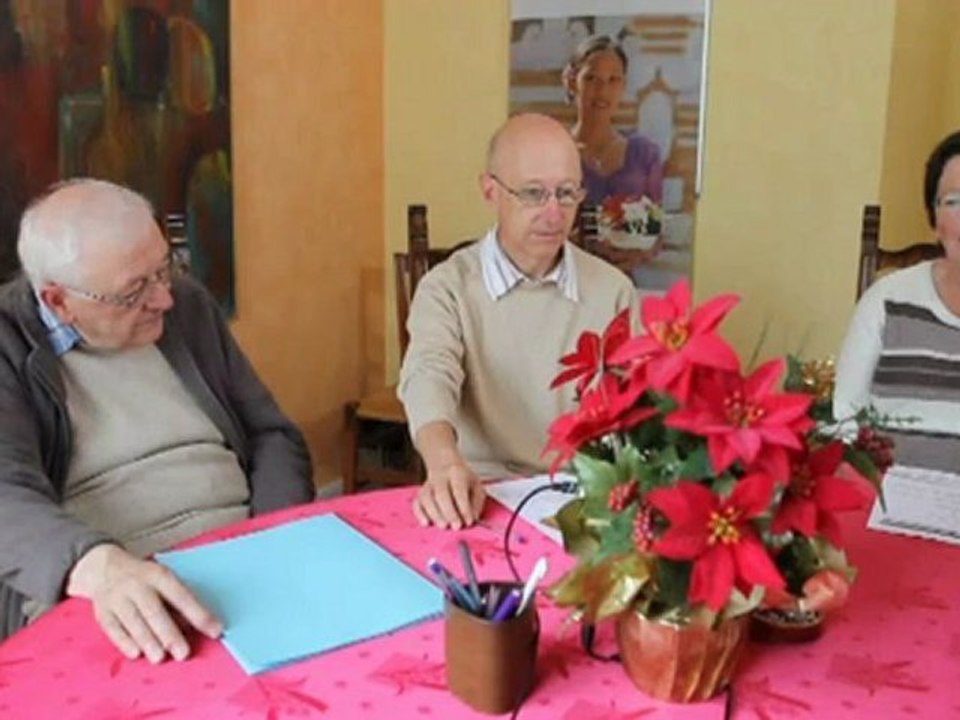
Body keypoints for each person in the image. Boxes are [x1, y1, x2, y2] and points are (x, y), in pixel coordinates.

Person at [0, 179, 314, 660]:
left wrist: (276, 531)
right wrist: (97, 567)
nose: (164, 299)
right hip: (115, 587)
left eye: (164, 270)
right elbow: (7, 497)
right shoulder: (8, 343)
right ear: (58, 300)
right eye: (133, 291)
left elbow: (270, 432)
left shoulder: (186, 305)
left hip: (247, 550)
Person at [398, 113, 636, 530]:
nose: (554, 212)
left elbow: (640, 402)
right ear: (490, 190)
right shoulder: (448, 288)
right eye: (533, 193)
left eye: (567, 193)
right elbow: (427, 374)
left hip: (586, 496)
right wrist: (443, 461)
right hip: (482, 495)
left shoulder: (613, 290)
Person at [834, 130, 960, 469]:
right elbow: (846, 419)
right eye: (954, 201)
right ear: (935, 221)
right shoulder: (887, 301)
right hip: (890, 494)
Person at [563, 34, 665, 275]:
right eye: (592, 79)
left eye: (613, 80)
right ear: (572, 81)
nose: (602, 91)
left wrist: (637, 254)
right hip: (567, 283)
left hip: (624, 284)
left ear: (623, 86)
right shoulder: (553, 152)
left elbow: (657, 231)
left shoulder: (645, 154)